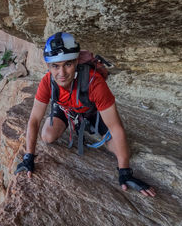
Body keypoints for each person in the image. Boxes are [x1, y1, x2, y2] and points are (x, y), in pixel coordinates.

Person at [15, 32, 156, 197]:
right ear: (48, 66)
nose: (62, 73)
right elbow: (34, 120)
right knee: (47, 136)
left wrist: (125, 171)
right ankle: (74, 122)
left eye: (67, 64)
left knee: (121, 151)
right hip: (66, 109)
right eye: (55, 66)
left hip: (92, 112)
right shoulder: (47, 82)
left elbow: (116, 127)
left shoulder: (94, 82)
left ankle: (89, 128)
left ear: (76, 61)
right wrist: (28, 157)